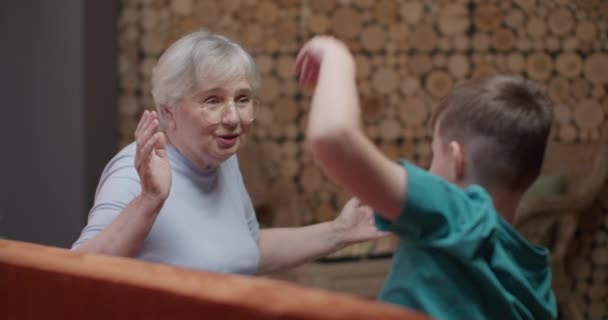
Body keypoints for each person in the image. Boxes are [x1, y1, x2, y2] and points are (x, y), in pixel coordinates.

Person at [72, 31, 387, 275]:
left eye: (242, 98)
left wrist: (340, 232)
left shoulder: (221, 161)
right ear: (168, 113)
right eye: (212, 101)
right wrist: (149, 200)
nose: (233, 118)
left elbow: (245, 250)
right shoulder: (133, 170)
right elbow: (77, 272)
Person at [295, 36, 557, 319]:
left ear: (457, 160)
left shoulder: (457, 213)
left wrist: (336, 55)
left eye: (435, 153)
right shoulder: (535, 272)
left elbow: (332, 137)